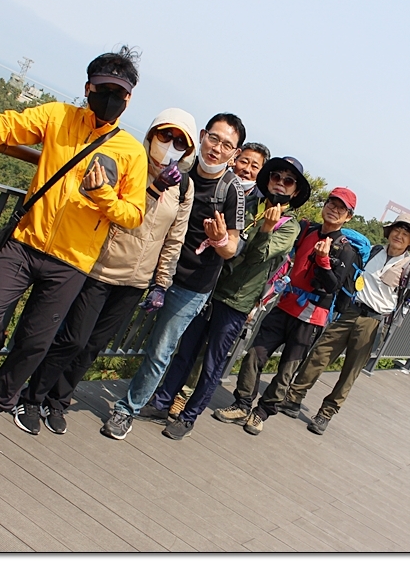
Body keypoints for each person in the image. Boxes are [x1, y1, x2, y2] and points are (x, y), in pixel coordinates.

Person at [0, 46, 148, 444]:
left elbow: (133, 214)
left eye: (119, 93)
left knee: (35, 342)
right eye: (104, 90)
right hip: (25, 242)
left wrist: (103, 196)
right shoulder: (57, 117)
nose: (111, 99)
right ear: (88, 88)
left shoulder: (131, 153)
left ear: (129, 98)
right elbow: (9, 125)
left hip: (72, 262)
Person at [9, 107, 198, 435]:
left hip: (136, 279)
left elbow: (174, 238)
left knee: (92, 346)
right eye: (165, 135)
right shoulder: (131, 162)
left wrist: (161, 283)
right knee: (72, 339)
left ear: (188, 150)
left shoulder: (184, 188)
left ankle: (58, 400)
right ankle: (32, 397)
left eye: (180, 141)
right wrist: (154, 189)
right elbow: (115, 211)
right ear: (152, 134)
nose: (170, 144)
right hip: (100, 267)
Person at [101, 113, 248, 440]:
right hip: (148, 267)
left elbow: (233, 247)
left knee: (160, 349)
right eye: (213, 138)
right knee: (103, 328)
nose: (217, 148)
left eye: (227, 145)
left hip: (191, 284)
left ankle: (127, 409)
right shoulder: (180, 168)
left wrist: (220, 240)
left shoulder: (231, 190)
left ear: (234, 153)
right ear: (202, 135)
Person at [142, 156, 311, 440]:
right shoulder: (249, 204)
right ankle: (161, 403)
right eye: (276, 177)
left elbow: (257, 257)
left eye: (288, 181)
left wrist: (265, 230)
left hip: (237, 300)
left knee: (212, 364)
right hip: (210, 287)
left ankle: (188, 417)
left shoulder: (289, 226)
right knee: (186, 351)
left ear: (295, 192)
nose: (280, 184)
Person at [279, 213, 410, 435]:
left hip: (374, 322)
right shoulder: (374, 252)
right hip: (350, 310)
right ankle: (293, 398)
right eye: (397, 230)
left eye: (406, 234)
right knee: (319, 354)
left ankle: (326, 413)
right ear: (389, 231)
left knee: (350, 371)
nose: (399, 235)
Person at [213, 188, 361, 436]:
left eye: (341, 208)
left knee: (286, 371)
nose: (334, 210)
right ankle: (242, 404)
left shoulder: (345, 250)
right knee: (254, 354)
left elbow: (333, 286)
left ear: (348, 217)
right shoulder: (307, 230)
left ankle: (261, 413)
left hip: (311, 316)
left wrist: (324, 260)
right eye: (331, 203)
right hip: (284, 305)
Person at [167, 142, 270, 418]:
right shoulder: (220, 186)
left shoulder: (260, 206)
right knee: (184, 344)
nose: (247, 169)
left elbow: (253, 253)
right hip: (199, 278)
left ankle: (183, 400)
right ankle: (165, 393)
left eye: (255, 166)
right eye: (244, 161)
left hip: (228, 290)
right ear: (234, 159)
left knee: (208, 356)